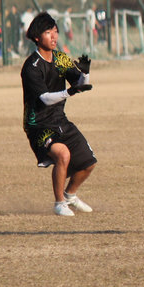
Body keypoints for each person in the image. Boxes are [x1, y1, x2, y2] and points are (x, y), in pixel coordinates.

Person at [20, 12, 96, 217]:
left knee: (89, 163)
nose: (54, 36)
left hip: (59, 119)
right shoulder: (31, 66)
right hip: (38, 124)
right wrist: (70, 92)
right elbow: (45, 98)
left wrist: (85, 73)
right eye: (48, 32)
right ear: (37, 37)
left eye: (55, 31)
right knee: (63, 154)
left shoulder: (60, 58)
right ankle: (59, 202)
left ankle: (70, 195)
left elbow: (80, 84)